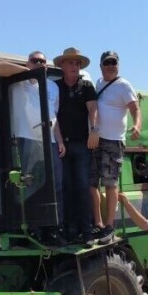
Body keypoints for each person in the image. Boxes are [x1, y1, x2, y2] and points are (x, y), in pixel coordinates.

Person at [0, 52, 64, 244]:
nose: (40, 63)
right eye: (35, 60)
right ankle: (33, 228)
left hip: (50, 141)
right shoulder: (18, 81)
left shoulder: (53, 87)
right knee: (31, 184)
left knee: (55, 185)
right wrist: (29, 72)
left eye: (42, 61)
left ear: (47, 66)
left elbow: (54, 116)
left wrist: (60, 140)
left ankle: (55, 229)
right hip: (27, 138)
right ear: (28, 63)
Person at [91, 51, 142, 244]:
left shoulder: (123, 85)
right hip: (95, 140)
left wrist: (137, 126)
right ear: (101, 65)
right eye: (107, 63)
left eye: (114, 62)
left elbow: (136, 109)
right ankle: (98, 223)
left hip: (113, 141)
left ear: (118, 65)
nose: (111, 66)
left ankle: (110, 225)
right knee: (92, 181)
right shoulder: (98, 84)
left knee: (110, 183)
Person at [53, 47, 99, 245]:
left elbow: (93, 110)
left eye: (77, 63)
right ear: (62, 65)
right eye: (71, 62)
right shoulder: (55, 88)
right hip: (63, 145)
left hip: (82, 144)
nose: (75, 66)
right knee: (66, 188)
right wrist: (60, 140)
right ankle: (70, 231)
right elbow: (53, 116)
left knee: (82, 186)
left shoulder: (87, 86)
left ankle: (87, 232)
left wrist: (95, 130)